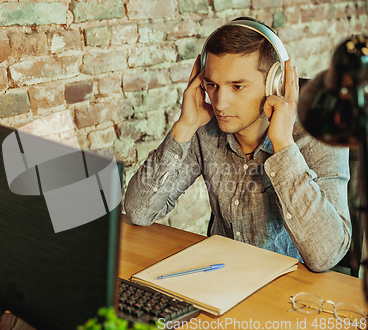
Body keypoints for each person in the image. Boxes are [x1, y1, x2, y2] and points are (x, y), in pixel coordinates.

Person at [123, 18, 351, 273]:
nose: (220, 103)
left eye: (237, 86)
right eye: (212, 85)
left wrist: (284, 145)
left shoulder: (321, 134)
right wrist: (184, 126)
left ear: (274, 83)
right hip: (220, 276)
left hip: (292, 291)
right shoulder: (205, 127)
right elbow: (138, 212)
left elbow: (327, 256)